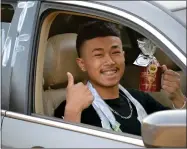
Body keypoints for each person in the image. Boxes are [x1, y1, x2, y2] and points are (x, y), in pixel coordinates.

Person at [54, 21, 186, 136]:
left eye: (115, 52)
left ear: (123, 56)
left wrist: (177, 97)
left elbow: (179, 131)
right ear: (82, 64)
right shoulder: (70, 107)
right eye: (99, 55)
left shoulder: (140, 99)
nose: (110, 61)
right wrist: (72, 112)